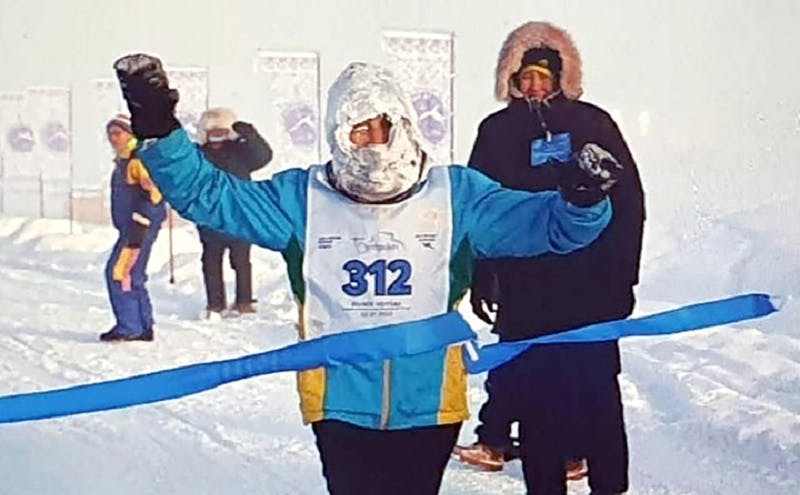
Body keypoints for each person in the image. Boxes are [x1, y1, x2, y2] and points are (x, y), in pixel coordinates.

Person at [113, 53, 620, 494]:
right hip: (340, 402)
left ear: (404, 125)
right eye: (359, 129)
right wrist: (158, 129)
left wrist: (582, 200)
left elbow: (549, 227)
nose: (374, 142)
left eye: (383, 126)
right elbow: (210, 196)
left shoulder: (456, 195)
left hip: (428, 404)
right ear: (339, 134)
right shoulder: (302, 200)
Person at [454, 21, 646, 495]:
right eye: (526, 77)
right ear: (511, 80)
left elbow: (628, 203)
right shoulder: (496, 131)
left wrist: (624, 276)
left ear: (562, 78)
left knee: (598, 395)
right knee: (534, 399)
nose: (535, 86)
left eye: (544, 76)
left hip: (592, 288)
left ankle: (609, 485)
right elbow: (478, 208)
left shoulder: (592, 124)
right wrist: (482, 275)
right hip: (526, 290)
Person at [195, 107, 273, 318]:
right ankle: (215, 304)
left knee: (241, 260)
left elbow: (263, 157)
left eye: (221, 131)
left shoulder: (240, 151)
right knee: (211, 260)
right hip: (209, 214)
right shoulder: (199, 154)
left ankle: (244, 301)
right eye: (212, 132)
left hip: (239, 214)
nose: (217, 136)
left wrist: (249, 134)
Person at [100, 114, 167, 342]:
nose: (113, 138)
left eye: (118, 133)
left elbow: (154, 193)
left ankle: (130, 326)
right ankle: (143, 325)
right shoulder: (125, 160)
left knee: (119, 272)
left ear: (130, 134)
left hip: (138, 228)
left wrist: (142, 221)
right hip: (132, 227)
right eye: (110, 134)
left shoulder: (137, 161)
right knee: (133, 273)